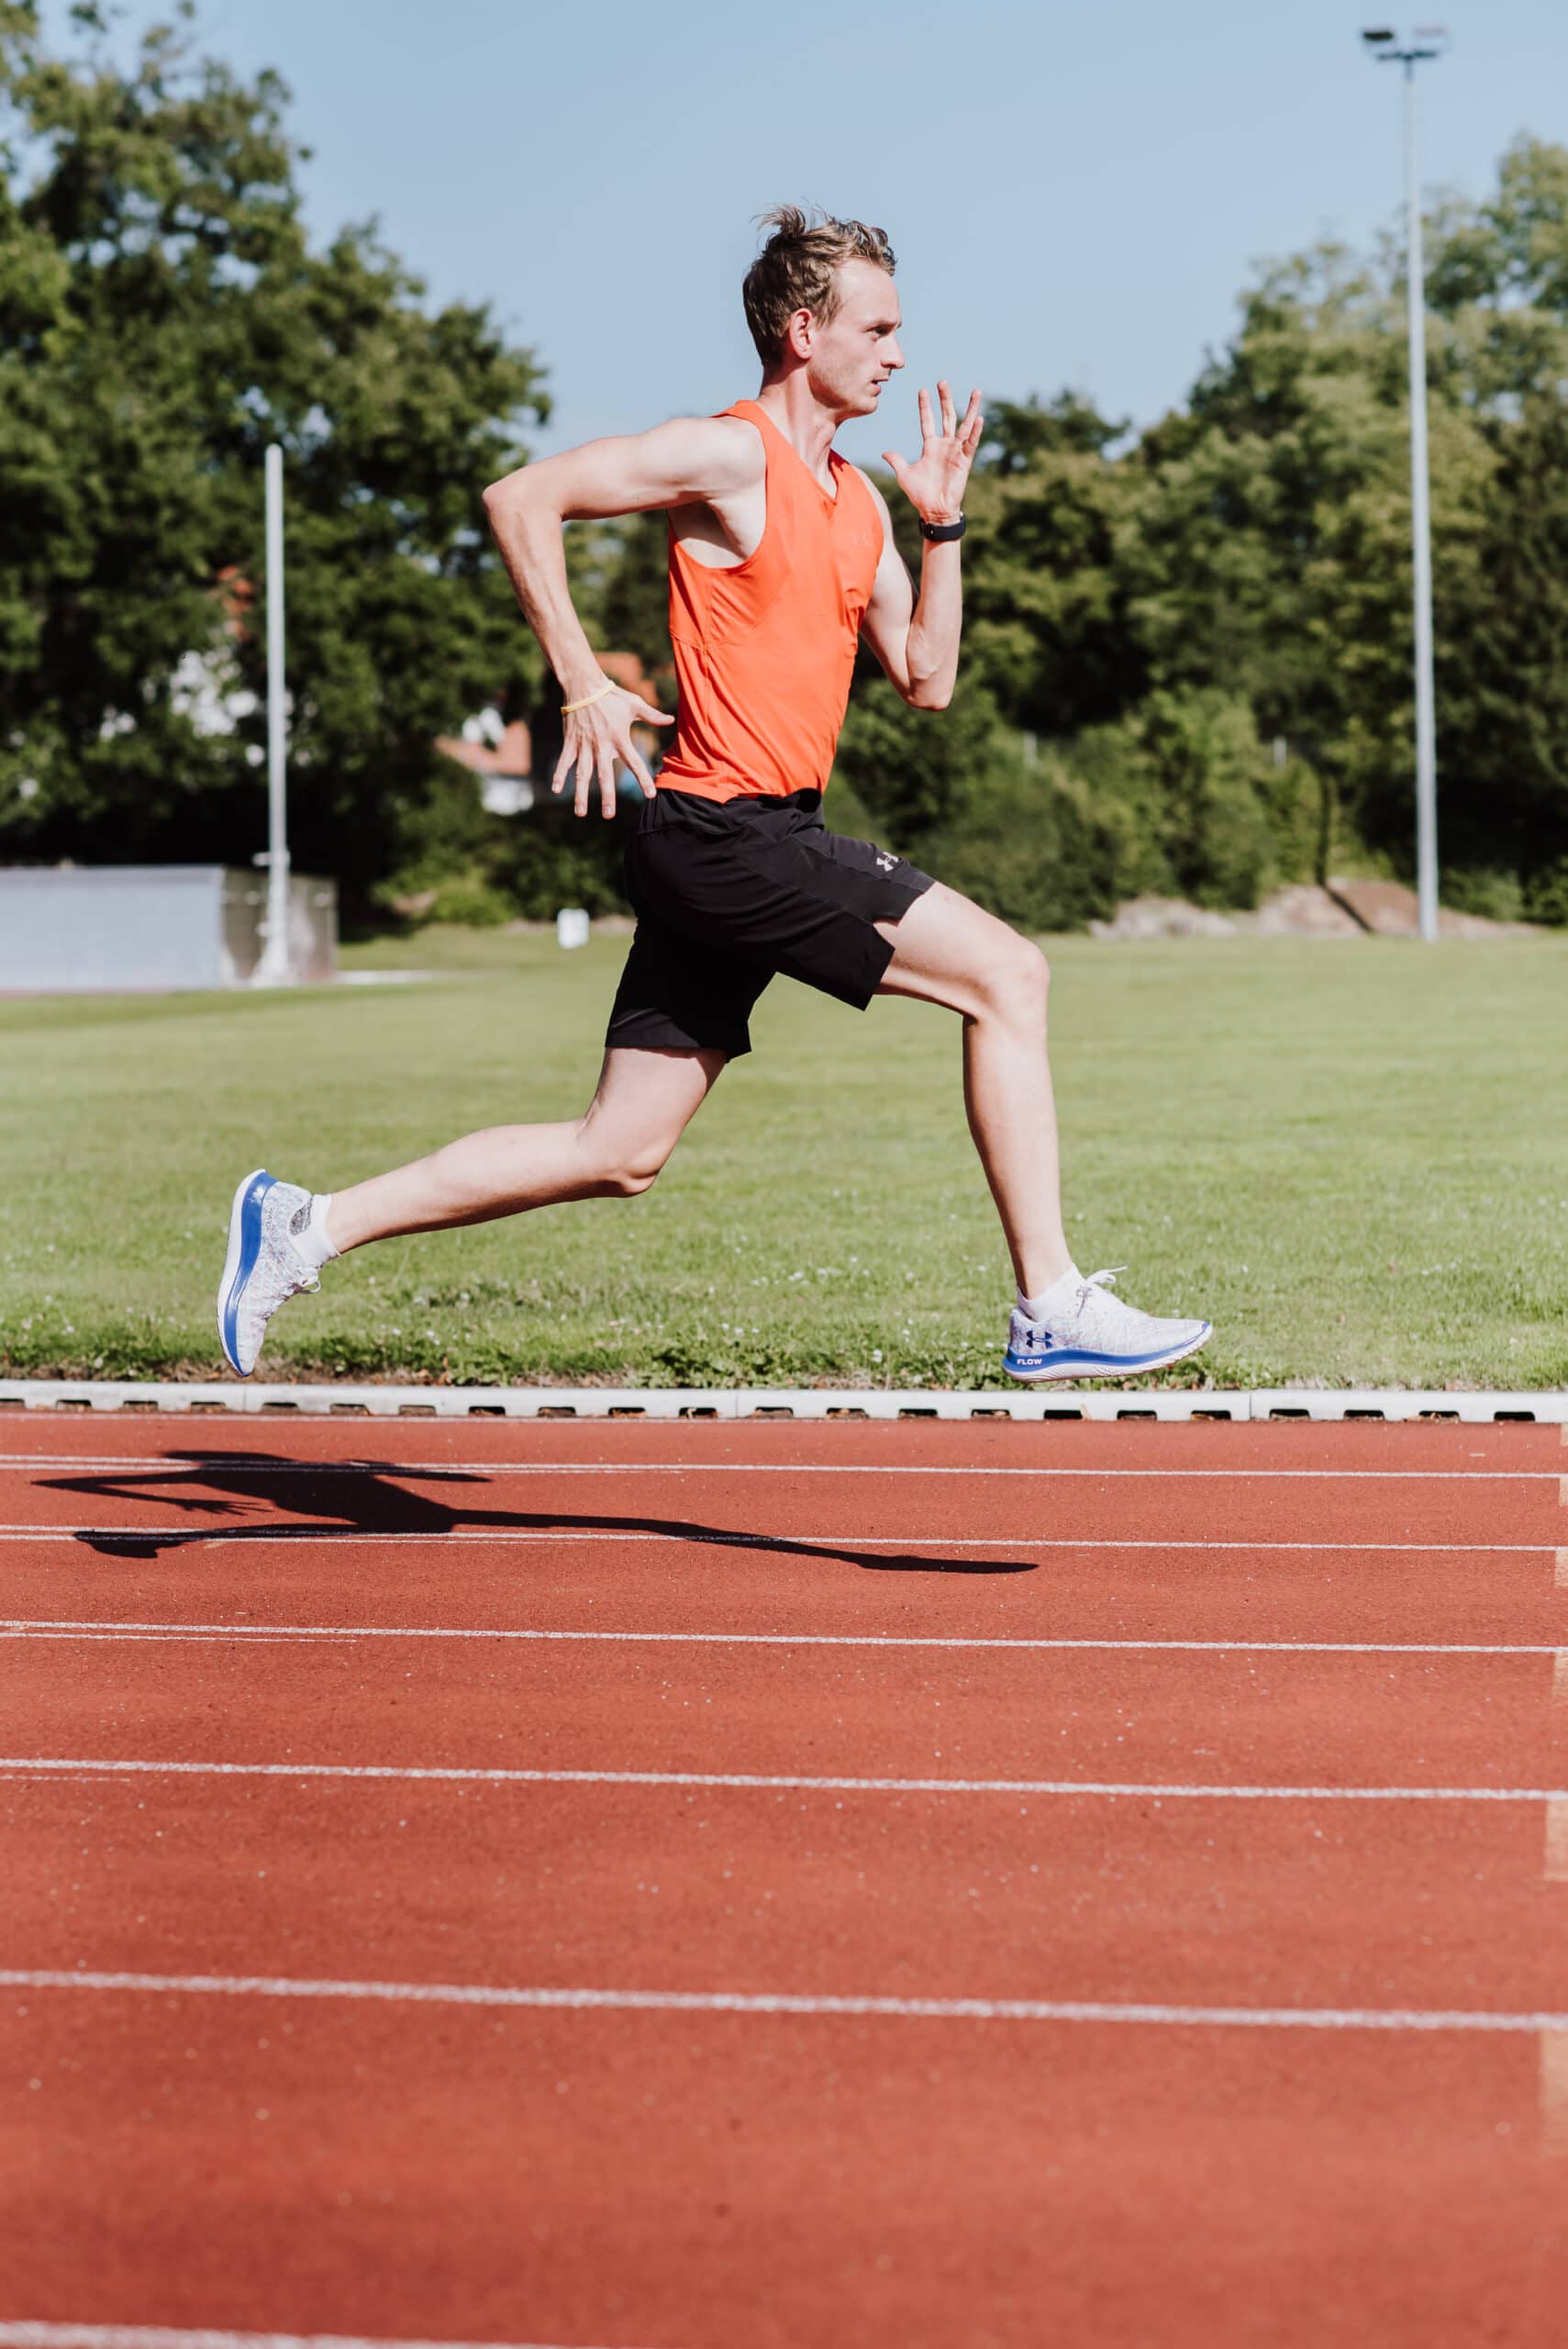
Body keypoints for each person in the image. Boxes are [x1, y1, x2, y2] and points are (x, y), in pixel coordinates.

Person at [218, 206, 1209, 1386]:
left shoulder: (859, 502)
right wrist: (581, 679)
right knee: (1009, 975)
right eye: (877, 329)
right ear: (803, 331)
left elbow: (928, 679)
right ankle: (1047, 1302)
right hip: (722, 831)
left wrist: (942, 523)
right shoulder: (730, 455)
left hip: (747, 836)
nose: (898, 354)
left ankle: (304, 1225)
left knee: (619, 1149)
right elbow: (519, 497)